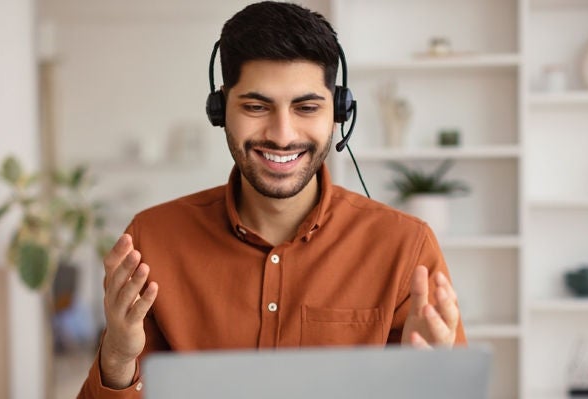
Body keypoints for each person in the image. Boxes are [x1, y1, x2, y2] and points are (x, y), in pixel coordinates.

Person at [77, 2, 465, 398]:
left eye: (307, 107)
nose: (282, 134)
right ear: (220, 109)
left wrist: (431, 381)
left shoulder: (405, 247)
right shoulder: (152, 241)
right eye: (256, 106)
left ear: (339, 111)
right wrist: (117, 360)